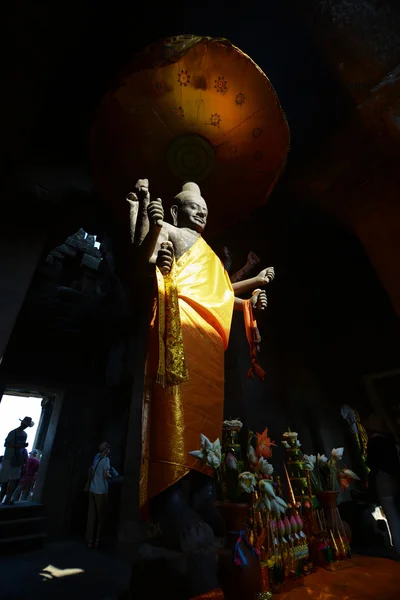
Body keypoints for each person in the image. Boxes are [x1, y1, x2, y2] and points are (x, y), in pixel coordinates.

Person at [129, 181, 273, 540]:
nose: (202, 211)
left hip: (210, 344)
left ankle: (203, 490)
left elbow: (222, 290)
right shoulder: (173, 232)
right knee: (176, 406)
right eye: (194, 205)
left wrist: (250, 300)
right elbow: (143, 259)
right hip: (180, 327)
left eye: (204, 207)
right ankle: (170, 496)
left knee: (207, 414)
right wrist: (146, 213)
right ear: (177, 211)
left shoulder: (208, 252)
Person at [365, 413, 400, 555]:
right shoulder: (390, 442)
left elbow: (371, 463)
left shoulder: (375, 443)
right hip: (394, 481)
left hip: (384, 482)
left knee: (393, 518)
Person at [85, 442, 114, 548]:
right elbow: (106, 475)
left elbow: (91, 471)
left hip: (92, 489)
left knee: (91, 516)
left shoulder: (96, 457)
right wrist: (112, 475)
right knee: (101, 516)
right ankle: (98, 540)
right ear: (106, 449)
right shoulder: (106, 460)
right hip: (101, 491)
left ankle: (89, 540)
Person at [0, 417, 34, 505]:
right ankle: (7, 499)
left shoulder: (16, 433)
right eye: (25, 424)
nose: (25, 426)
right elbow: (6, 444)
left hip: (10, 458)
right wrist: (20, 446)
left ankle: (6, 499)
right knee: (10, 480)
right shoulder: (15, 433)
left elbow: (7, 444)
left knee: (10, 480)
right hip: (12, 458)